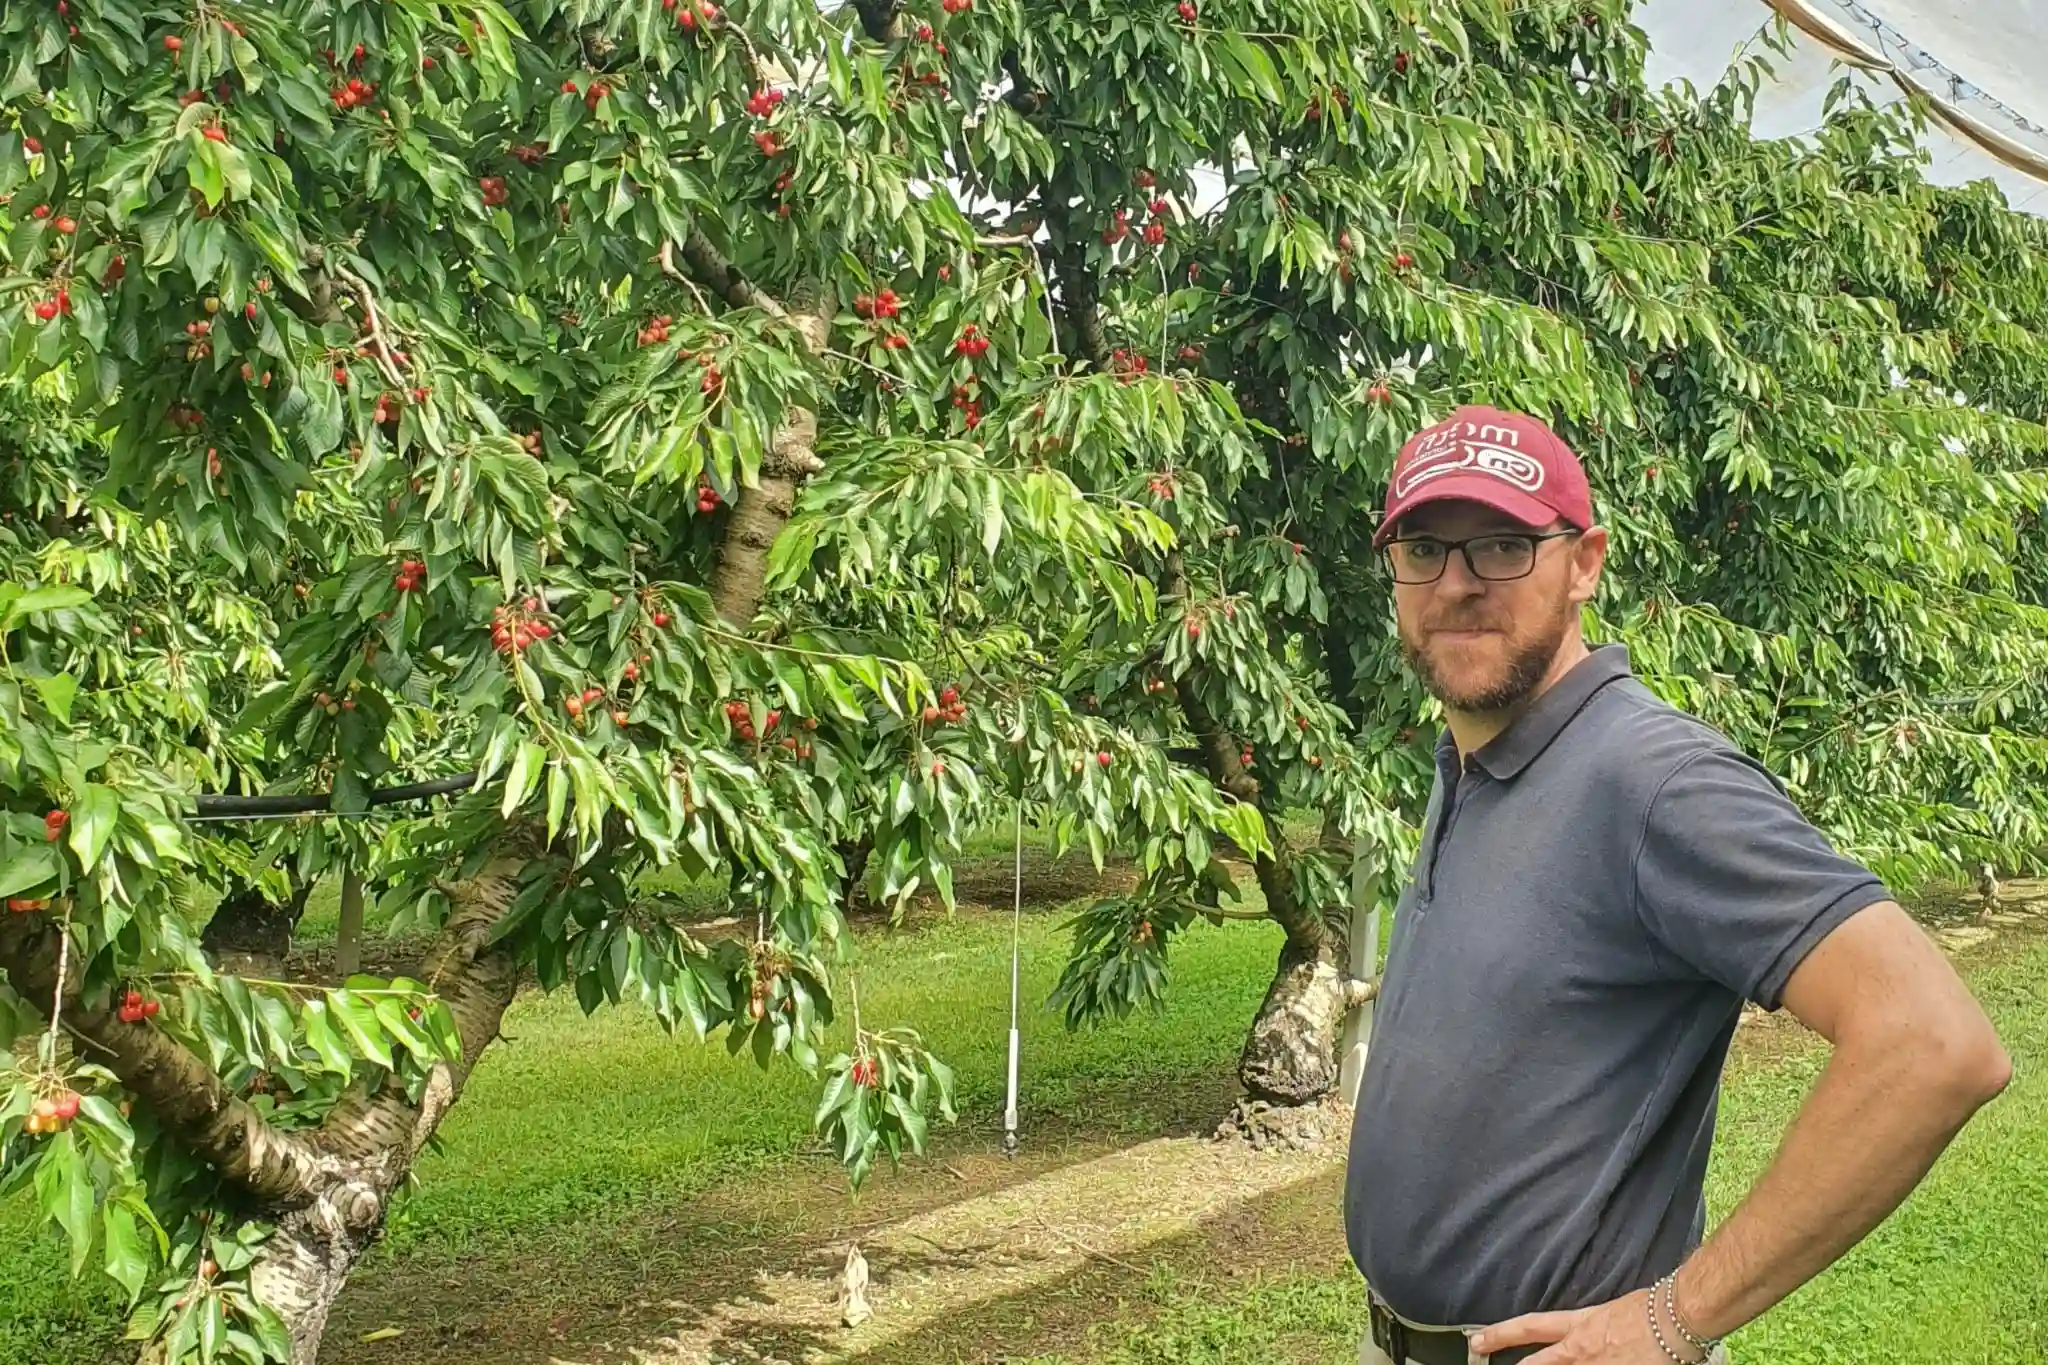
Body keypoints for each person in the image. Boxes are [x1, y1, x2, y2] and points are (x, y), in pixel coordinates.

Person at [1343, 405, 2012, 1365]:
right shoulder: (1471, 761)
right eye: (1423, 547)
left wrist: (1670, 1318)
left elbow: (1934, 1041)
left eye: (1501, 545)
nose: (1457, 585)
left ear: (1585, 564)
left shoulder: (1654, 783)